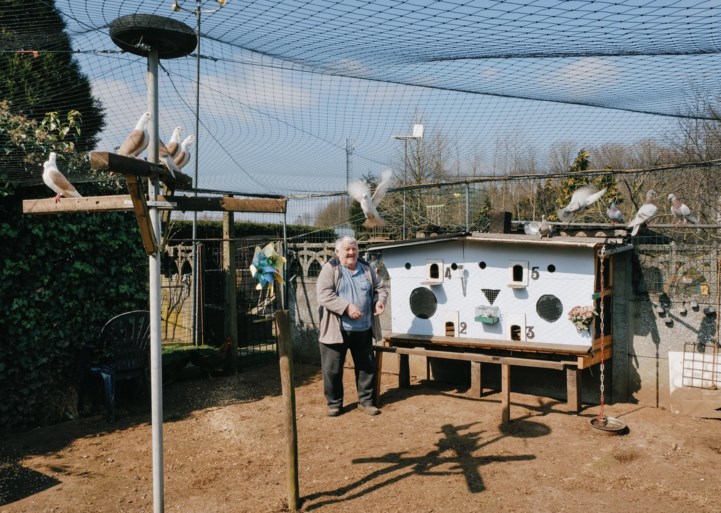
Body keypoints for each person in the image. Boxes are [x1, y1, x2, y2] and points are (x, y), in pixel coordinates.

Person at [316, 235, 389, 416]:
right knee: (332, 370)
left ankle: (366, 402)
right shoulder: (330, 268)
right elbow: (323, 294)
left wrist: (378, 302)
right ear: (337, 251)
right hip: (336, 331)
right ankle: (334, 403)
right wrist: (346, 307)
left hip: (363, 329)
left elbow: (381, 287)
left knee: (366, 368)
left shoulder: (366, 268)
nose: (351, 252)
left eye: (354, 248)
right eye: (347, 249)